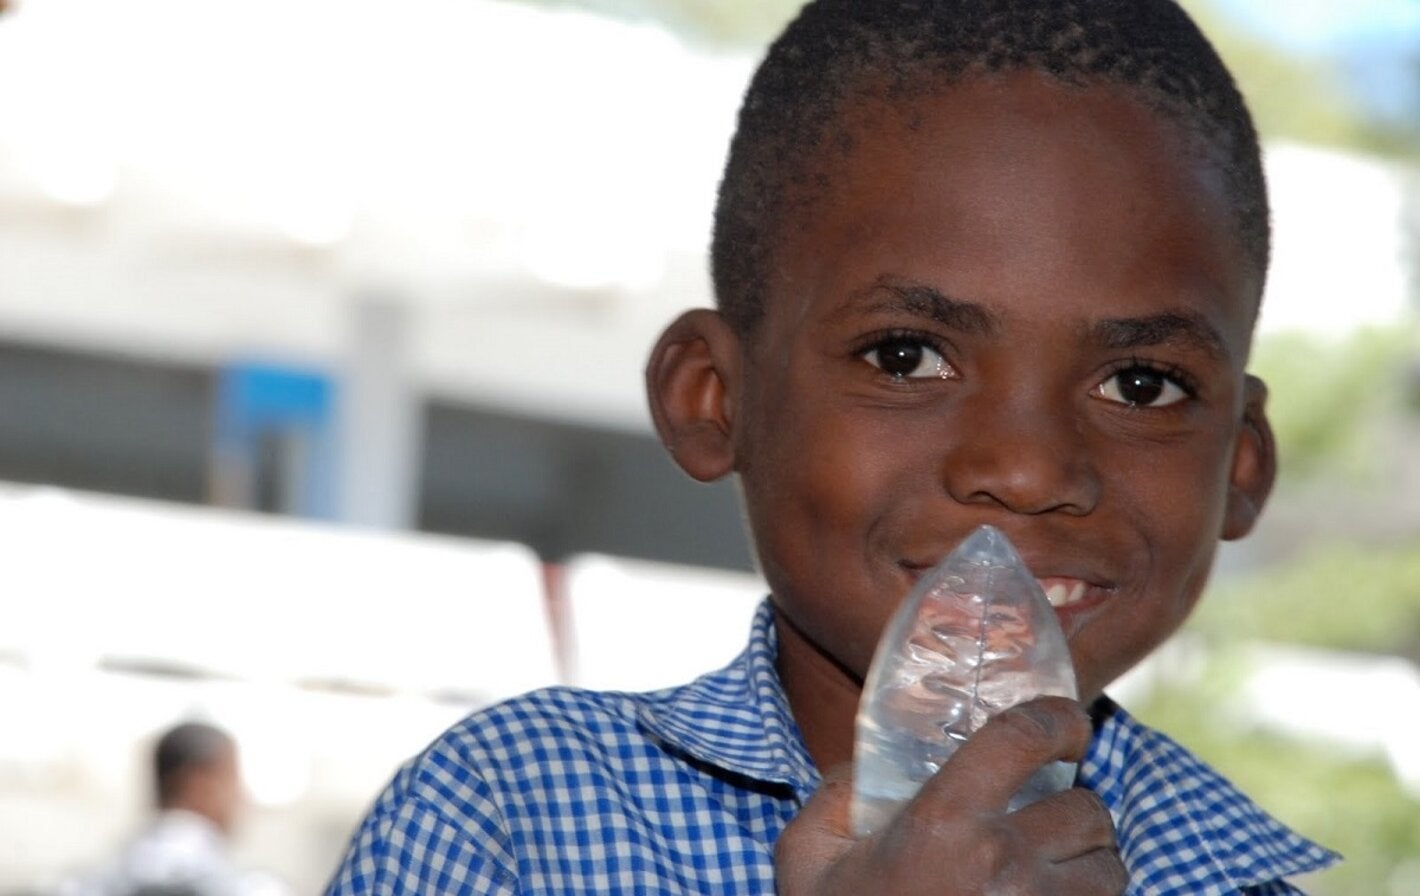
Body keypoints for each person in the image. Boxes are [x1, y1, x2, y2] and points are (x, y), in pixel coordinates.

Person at [326, 1, 1340, 893]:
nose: (1028, 471)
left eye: (1140, 384)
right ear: (714, 398)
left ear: (1239, 466)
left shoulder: (1233, 879)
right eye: (905, 355)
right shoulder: (515, 818)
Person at [61, 722, 287, 896]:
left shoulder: (88, 882)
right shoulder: (249, 888)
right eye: (234, 780)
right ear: (201, 783)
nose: (242, 798)